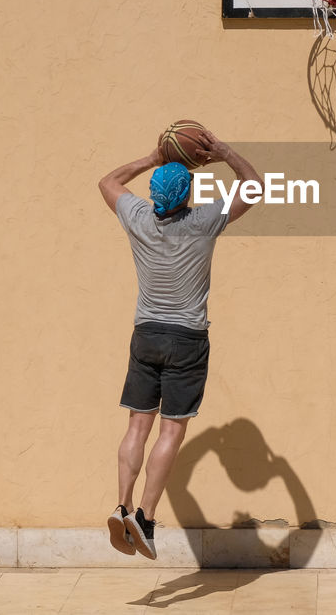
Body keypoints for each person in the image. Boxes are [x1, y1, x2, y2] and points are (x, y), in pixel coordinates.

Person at [97, 128, 260, 558]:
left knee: (137, 425)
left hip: (146, 334)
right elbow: (255, 187)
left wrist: (152, 157)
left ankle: (121, 504)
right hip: (186, 339)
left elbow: (107, 182)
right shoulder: (204, 222)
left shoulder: (137, 217)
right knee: (171, 429)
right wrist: (223, 151)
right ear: (187, 194)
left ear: (153, 195)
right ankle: (145, 520)